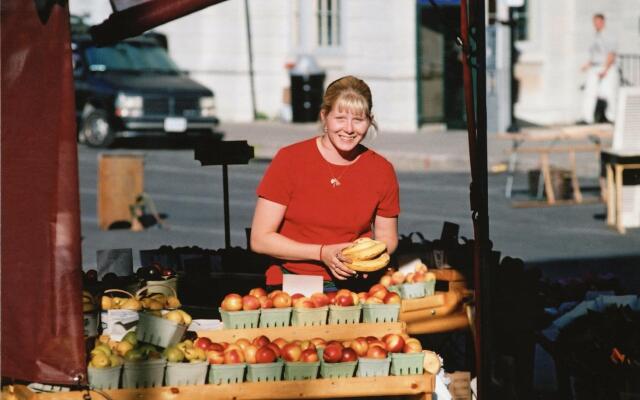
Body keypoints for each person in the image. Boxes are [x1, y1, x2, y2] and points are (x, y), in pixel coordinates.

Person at [250, 75, 400, 291]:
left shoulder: (382, 170)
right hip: (292, 284)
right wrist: (322, 253)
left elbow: (388, 238)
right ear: (324, 117)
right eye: (340, 118)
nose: (349, 129)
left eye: (358, 120)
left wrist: (365, 258)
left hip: (355, 285)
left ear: (369, 121)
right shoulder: (290, 159)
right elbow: (260, 239)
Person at [580, 13, 620, 124]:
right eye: (594, 22)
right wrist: (587, 65)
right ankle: (587, 118)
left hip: (607, 67)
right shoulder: (595, 36)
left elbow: (611, 54)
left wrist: (605, 69)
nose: (595, 24)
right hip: (595, 67)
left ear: (602, 22)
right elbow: (594, 55)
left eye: (597, 22)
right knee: (590, 92)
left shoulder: (609, 36)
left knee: (609, 93)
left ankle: (612, 117)